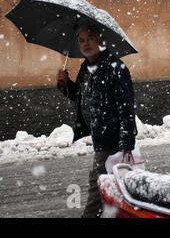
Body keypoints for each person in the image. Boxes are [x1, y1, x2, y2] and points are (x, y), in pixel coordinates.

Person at [56, 26, 137, 218]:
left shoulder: (115, 68)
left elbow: (127, 108)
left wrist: (126, 145)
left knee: (97, 189)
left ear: (101, 41)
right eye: (81, 40)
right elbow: (81, 96)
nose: (85, 43)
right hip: (99, 138)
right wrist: (65, 84)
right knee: (111, 190)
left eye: (90, 38)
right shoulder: (86, 67)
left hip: (112, 141)